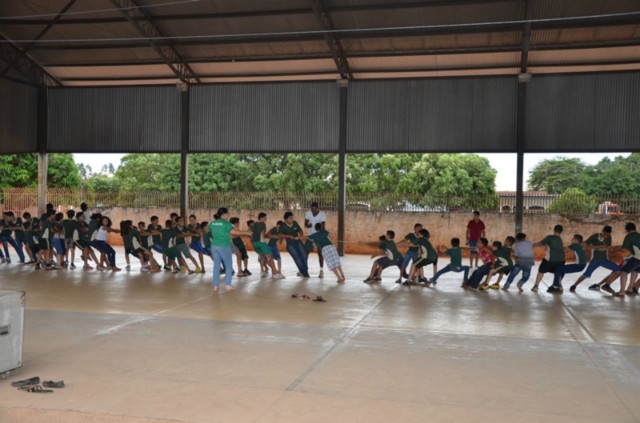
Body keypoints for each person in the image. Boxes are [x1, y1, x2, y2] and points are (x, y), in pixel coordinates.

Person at [569, 226, 619, 292]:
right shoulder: (595, 236)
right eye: (605, 233)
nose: (606, 235)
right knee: (586, 274)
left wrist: (593, 247)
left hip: (604, 259)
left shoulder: (609, 237)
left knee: (618, 270)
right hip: (595, 259)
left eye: (608, 234)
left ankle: (603, 285)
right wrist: (579, 244)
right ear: (602, 231)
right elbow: (585, 244)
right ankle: (574, 285)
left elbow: (606, 246)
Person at [607, 222, 640, 297]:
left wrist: (613, 251)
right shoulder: (638, 235)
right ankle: (630, 289)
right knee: (635, 270)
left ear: (626, 229)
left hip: (638, 257)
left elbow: (625, 249)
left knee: (623, 272)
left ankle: (621, 292)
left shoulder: (629, 236)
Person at [209, 207, 237, 292]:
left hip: (214, 246)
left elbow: (209, 229)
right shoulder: (226, 223)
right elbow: (234, 232)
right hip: (224, 246)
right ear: (224, 214)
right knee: (228, 265)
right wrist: (247, 233)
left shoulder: (213, 223)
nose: (228, 215)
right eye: (228, 213)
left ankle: (215, 286)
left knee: (216, 266)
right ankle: (228, 285)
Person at [531, 225, 565, 293]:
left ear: (554, 230)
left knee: (541, 271)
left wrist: (531, 245)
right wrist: (547, 245)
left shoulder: (550, 237)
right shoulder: (560, 239)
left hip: (550, 259)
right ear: (561, 231)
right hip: (561, 260)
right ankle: (559, 285)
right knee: (559, 272)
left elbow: (540, 243)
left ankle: (536, 286)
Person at [251, 213, 285, 279]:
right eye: (264, 218)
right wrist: (271, 236)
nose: (265, 219)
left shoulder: (254, 224)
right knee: (270, 257)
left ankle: (262, 271)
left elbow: (251, 233)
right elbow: (264, 235)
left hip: (255, 243)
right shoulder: (263, 224)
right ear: (260, 218)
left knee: (262, 256)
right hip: (262, 243)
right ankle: (275, 273)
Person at [278, 211, 310, 278]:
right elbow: (280, 235)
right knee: (297, 258)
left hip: (298, 242)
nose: (292, 219)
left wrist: (301, 236)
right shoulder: (283, 226)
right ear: (285, 219)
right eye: (290, 218)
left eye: (292, 218)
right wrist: (289, 236)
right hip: (290, 245)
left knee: (304, 255)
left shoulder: (295, 223)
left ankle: (304, 270)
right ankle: (304, 272)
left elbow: (300, 231)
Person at [304, 202, 327, 277]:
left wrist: (322, 235)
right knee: (306, 251)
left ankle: (321, 271)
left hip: (319, 235)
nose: (313, 210)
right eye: (312, 209)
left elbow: (323, 226)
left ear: (317, 208)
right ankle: (304, 269)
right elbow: (305, 224)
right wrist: (308, 225)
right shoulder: (308, 213)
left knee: (320, 253)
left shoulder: (322, 214)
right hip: (310, 235)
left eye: (314, 209)